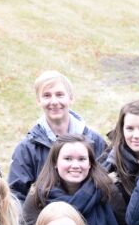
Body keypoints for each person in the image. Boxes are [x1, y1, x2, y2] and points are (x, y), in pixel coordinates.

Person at [20, 134, 131, 225]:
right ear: (55, 162)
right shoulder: (39, 196)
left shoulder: (106, 190)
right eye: (67, 159)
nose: (75, 165)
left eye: (82, 159)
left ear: (90, 163)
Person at [8, 70, 107, 203]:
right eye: (47, 96)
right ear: (38, 101)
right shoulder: (27, 148)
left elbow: (107, 187)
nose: (54, 101)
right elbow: (16, 196)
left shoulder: (95, 141)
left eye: (60, 95)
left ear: (71, 98)